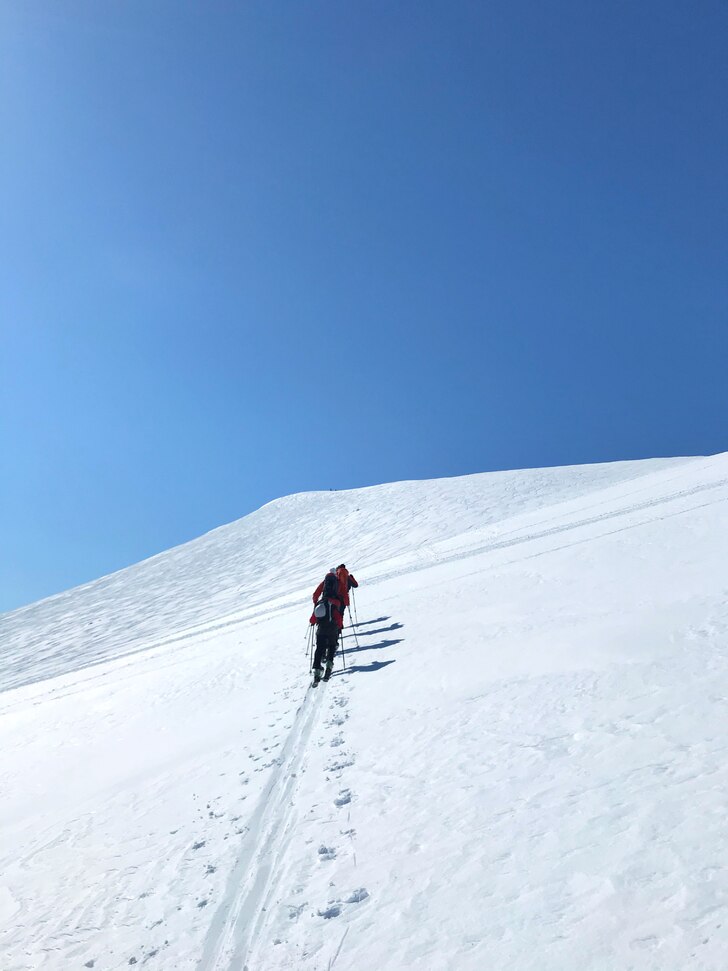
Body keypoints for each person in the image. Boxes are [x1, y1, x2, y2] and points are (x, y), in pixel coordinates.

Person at [309, 568, 344, 683]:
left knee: (319, 649)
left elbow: (312, 619)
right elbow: (338, 618)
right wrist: (339, 626)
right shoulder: (336, 603)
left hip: (321, 630)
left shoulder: (321, 603)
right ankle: (329, 666)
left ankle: (317, 671)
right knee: (332, 646)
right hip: (332, 629)